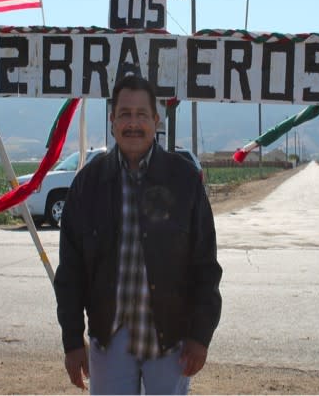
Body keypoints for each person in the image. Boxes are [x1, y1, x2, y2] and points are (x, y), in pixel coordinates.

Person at [54, 74, 223, 394]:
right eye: (125, 114)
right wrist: (73, 341)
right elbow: (70, 272)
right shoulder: (88, 184)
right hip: (108, 340)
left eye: (141, 114)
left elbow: (205, 265)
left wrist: (200, 336)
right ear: (112, 120)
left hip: (170, 341)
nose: (133, 123)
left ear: (156, 120)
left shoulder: (184, 180)